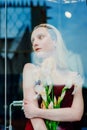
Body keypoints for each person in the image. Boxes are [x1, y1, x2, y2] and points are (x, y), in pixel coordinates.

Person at [23, 23, 84, 130]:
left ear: (55, 41)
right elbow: (35, 121)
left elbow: (76, 114)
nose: (35, 43)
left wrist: (37, 111)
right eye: (33, 40)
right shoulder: (30, 69)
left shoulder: (74, 76)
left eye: (40, 37)